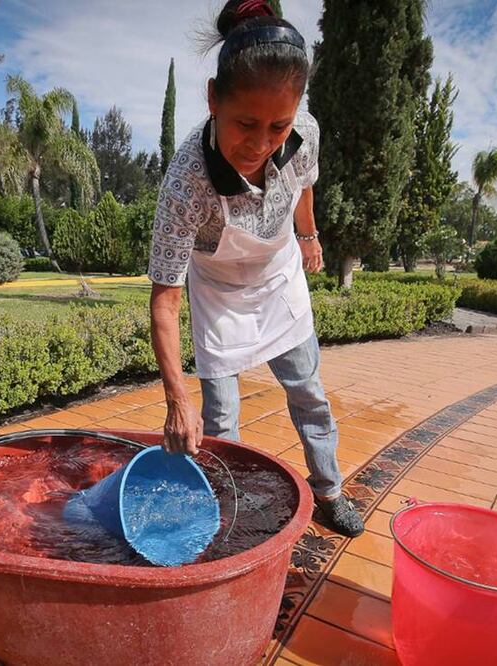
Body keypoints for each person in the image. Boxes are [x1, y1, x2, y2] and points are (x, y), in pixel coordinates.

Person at [147, 0, 364, 537]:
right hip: (218, 293)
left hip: (278, 276)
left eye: (277, 126)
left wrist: (309, 235)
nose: (261, 144)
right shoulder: (186, 181)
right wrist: (177, 400)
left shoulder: (304, 132)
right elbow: (165, 301)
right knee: (219, 417)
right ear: (213, 99)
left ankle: (330, 490)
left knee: (309, 393)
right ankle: (228, 514)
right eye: (245, 123)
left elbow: (305, 183)